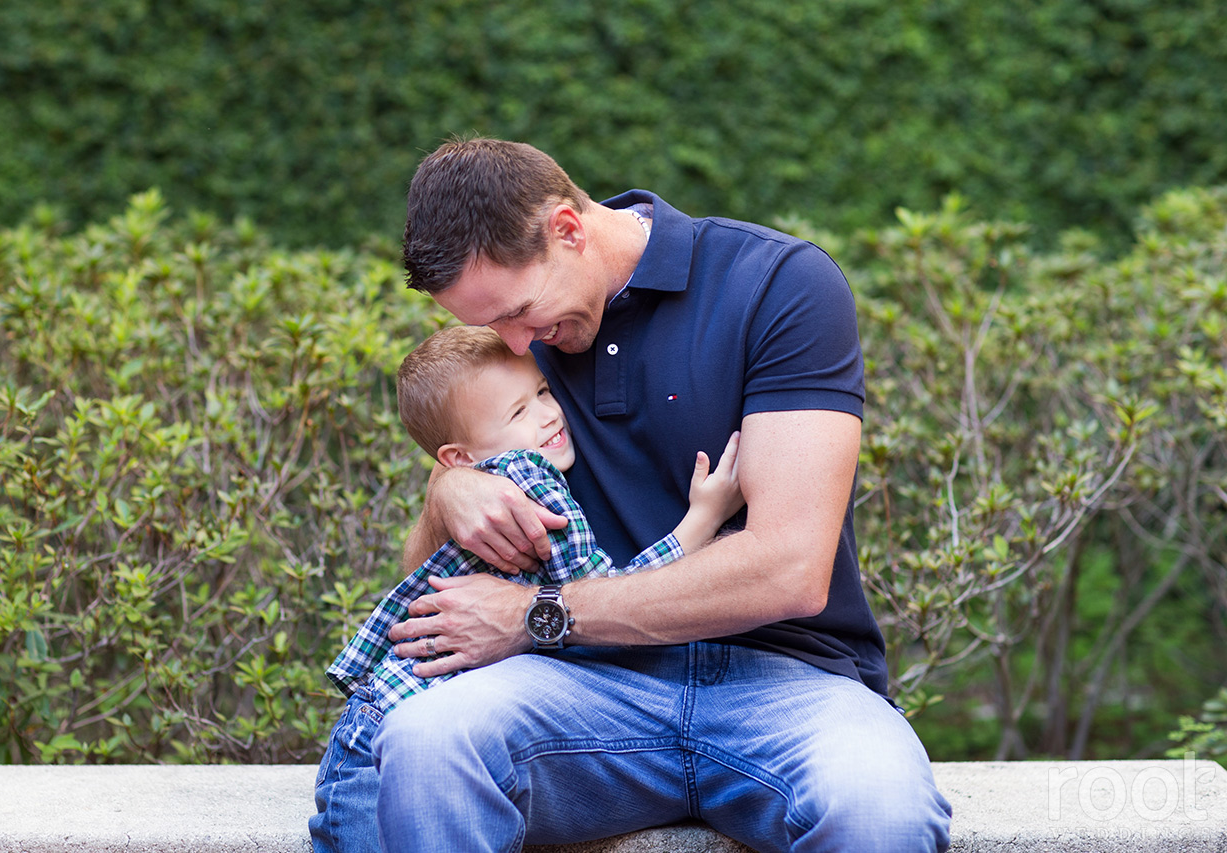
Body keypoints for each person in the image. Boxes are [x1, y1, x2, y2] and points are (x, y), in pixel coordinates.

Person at [311, 138, 952, 853]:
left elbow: (789, 569)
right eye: (491, 326)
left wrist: (538, 614)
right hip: (576, 690)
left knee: (880, 811)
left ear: (568, 228)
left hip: (786, 681)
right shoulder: (516, 343)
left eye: (521, 313)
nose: (519, 346)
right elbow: (432, 571)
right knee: (428, 741)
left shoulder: (776, 283)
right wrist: (448, 492)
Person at [322, 323, 744, 714]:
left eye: (542, 392)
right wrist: (704, 518)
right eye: (517, 413)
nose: (548, 415)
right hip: (414, 716)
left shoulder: (485, 469)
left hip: (388, 704)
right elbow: (603, 594)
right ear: (459, 459)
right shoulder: (527, 477)